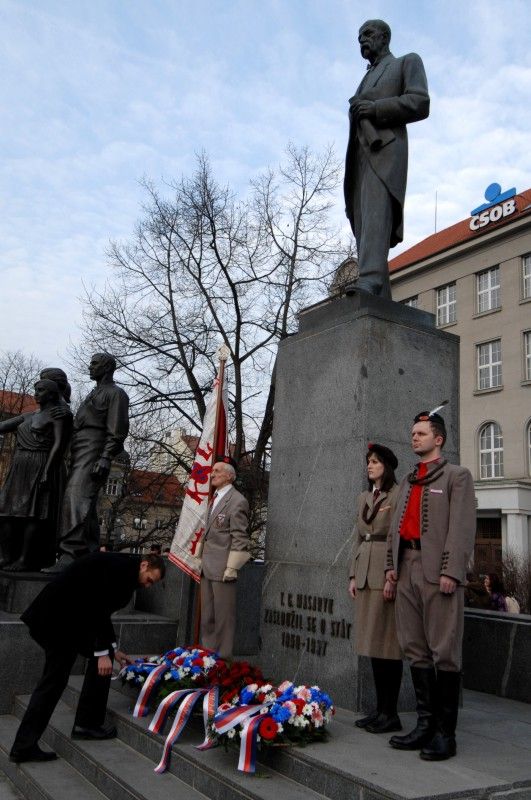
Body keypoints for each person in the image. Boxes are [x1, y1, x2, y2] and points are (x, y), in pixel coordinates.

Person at [9, 551, 165, 763]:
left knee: (89, 663)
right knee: (52, 683)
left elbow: (102, 613)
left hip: (66, 620)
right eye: (149, 580)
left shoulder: (124, 569)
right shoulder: (120, 569)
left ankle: (87, 724)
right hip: (57, 622)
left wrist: (112, 650)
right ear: (144, 565)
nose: (148, 586)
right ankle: (24, 746)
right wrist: (102, 653)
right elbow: (97, 607)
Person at [385, 409, 475, 761]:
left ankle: (445, 733)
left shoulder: (457, 476)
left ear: (438, 439)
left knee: (444, 651)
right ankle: (424, 725)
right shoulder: (408, 480)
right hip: (406, 567)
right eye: (413, 433)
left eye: (421, 433)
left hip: (437, 570)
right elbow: (396, 527)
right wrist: (392, 567)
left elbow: (462, 527)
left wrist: (452, 571)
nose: (414, 438)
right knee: (414, 647)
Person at [344, 19, 429, 298]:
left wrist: (376, 108)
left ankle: (370, 279)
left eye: (367, 34)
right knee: (365, 224)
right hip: (358, 157)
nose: (362, 40)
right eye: (359, 37)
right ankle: (381, 295)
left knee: (377, 212)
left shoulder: (406, 62)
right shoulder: (365, 77)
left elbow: (420, 102)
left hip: (385, 151)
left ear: (385, 36)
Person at [48, 353, 129, 571]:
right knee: (86, 504)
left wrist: (105, 457)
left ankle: (70, 552)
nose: (90, 367)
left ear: (107, 367)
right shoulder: (95, 392)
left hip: (94, 448)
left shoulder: (116, 394)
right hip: (79, 447)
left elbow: (117, 430)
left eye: (95, 363)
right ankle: (88, 554)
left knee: (76, 497)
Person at [348, 443, 403, 734]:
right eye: (368, 462)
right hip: (366, 573)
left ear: (387, 467)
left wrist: (393, 576)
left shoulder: (397, 496)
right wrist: (352, 576)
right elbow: (358, 538)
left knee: (388, 648)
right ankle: (380, 710)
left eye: (376, 462)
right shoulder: (364, 497)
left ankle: (391, 712)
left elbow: (397, 538)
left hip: (385, 573)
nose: (370, 466)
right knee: (371, 646)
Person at [0, 379, 72, 571]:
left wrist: (48, 470)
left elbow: (58, 445)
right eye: (36, 390)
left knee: (32, 514)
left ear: (51, 394)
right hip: (18, 465)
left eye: (41, 390)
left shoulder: (58, 415)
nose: (36, 393)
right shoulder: (27, 416)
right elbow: (3, 426)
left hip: (38, 463)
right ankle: (6, 557)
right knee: (6, 512)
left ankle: (24, 559)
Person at [200, 457, 250, 658]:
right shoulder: (214, 498)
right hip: (207, 566)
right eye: (213, 470)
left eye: (217, 471)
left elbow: (240, 536)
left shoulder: (238, 501)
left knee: (223, 619)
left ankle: (222, 662)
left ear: (229, 476)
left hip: (223, 569)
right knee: (207, 618)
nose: (212, 474)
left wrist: (232, 567)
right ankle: (207, 658)